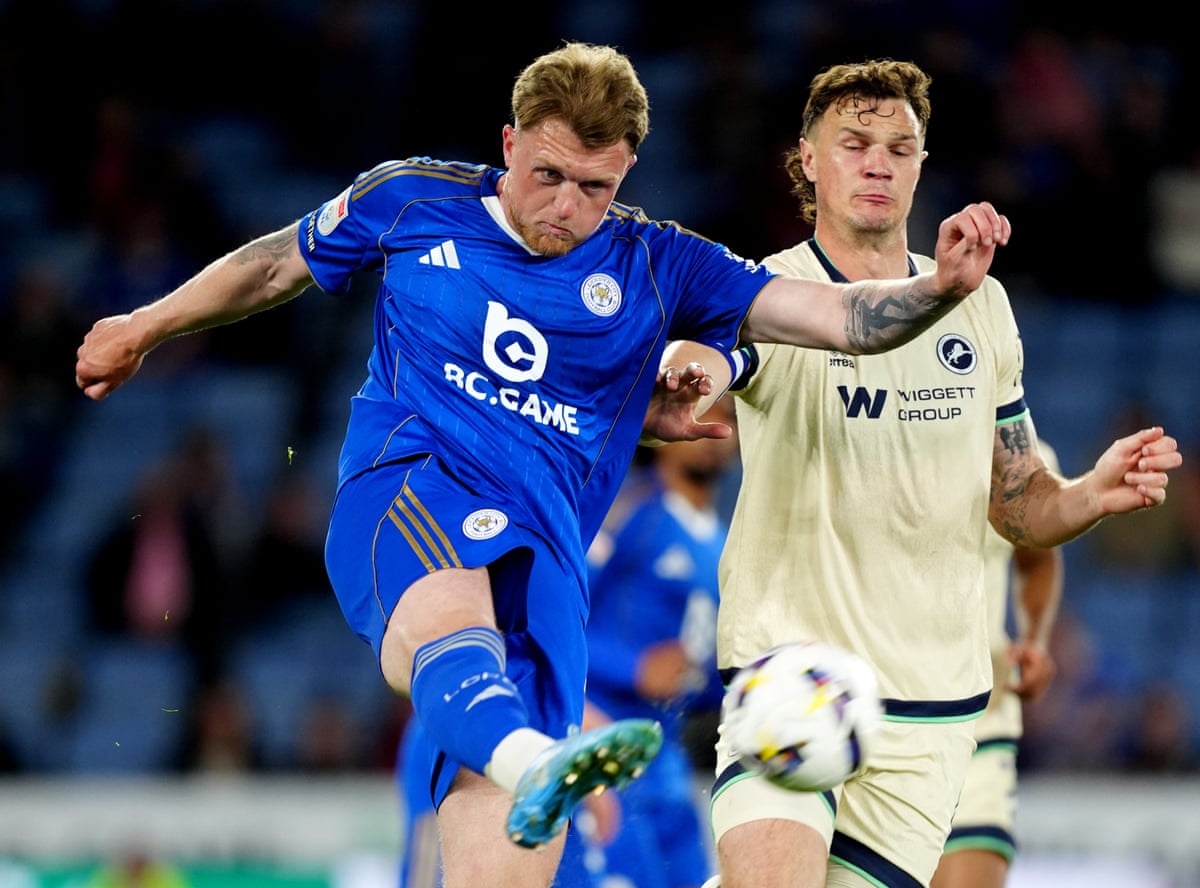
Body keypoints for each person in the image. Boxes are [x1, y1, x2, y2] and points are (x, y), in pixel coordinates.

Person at [75, 43, 1011, 888]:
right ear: (509, 141)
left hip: (549, 554)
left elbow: (840, 320)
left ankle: (523, 758)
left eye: (594, 188)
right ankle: (529, 759)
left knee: (509, 865)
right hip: (413, 484)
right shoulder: (413, 198)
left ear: (628, 173)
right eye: (548, 174)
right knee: (455, 618)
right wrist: (145, 325)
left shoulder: (659, 264)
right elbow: (278, 264)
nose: (566, 207)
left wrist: (936, 290)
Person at [660, 59, 1182, 888]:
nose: (878, 163)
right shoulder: (770, 288)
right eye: (855, 143)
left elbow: (1017, 505)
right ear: (806, 158)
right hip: (792, 678)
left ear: (921, 164)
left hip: (931, 718)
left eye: (899, 148)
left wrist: (1091, 495)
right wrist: (691, 374)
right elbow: (713, 359)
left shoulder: (982, 306)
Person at [581, 397, 738, 888]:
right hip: (598, 744)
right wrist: (633, 669)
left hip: (667, 762)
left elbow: (699, 668)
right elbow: (545, 623)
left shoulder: (732, 543)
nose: (716, 426)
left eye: (731, 416)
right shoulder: (626, 511)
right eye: (705, 408)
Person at [930, 441, 1065, 888]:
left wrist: (1034, 639)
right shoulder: (864, 421)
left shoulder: (1021, 452)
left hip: (977, 721)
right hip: (872, 719)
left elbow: (1037, 554)